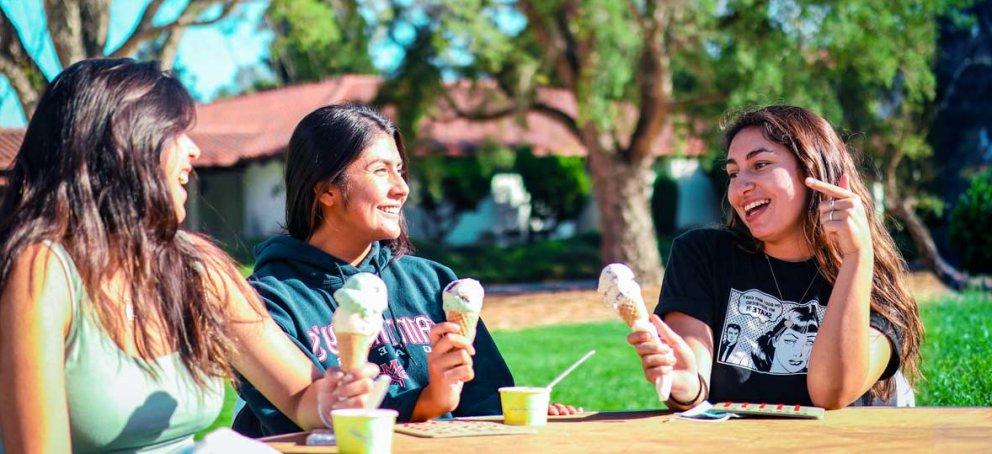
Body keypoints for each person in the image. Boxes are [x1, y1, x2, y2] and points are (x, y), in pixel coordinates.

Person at [0, 59, 376, 453]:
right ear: (125, 145)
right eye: (176, 133)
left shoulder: (197, 267)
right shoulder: (42, 269)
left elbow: (301, 397)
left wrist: (335, 397)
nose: (193, 150)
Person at [233, 104, 578, 436]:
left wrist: (518, 416)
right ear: (326, 190)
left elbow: (486, 403)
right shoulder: (266, 301)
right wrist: (428, 402)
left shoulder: (434, 283)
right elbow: (305, 428)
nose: (401, 188)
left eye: (399, 169)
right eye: (380, 170)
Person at [628, 105, 923, 409]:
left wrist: (857, 257)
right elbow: (692, 377)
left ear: (813, 171)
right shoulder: (702, 254)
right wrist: (685, 385)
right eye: (732, 172)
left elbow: (829, 394)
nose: (740, 187)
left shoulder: (872, 284)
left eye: (760, 164)